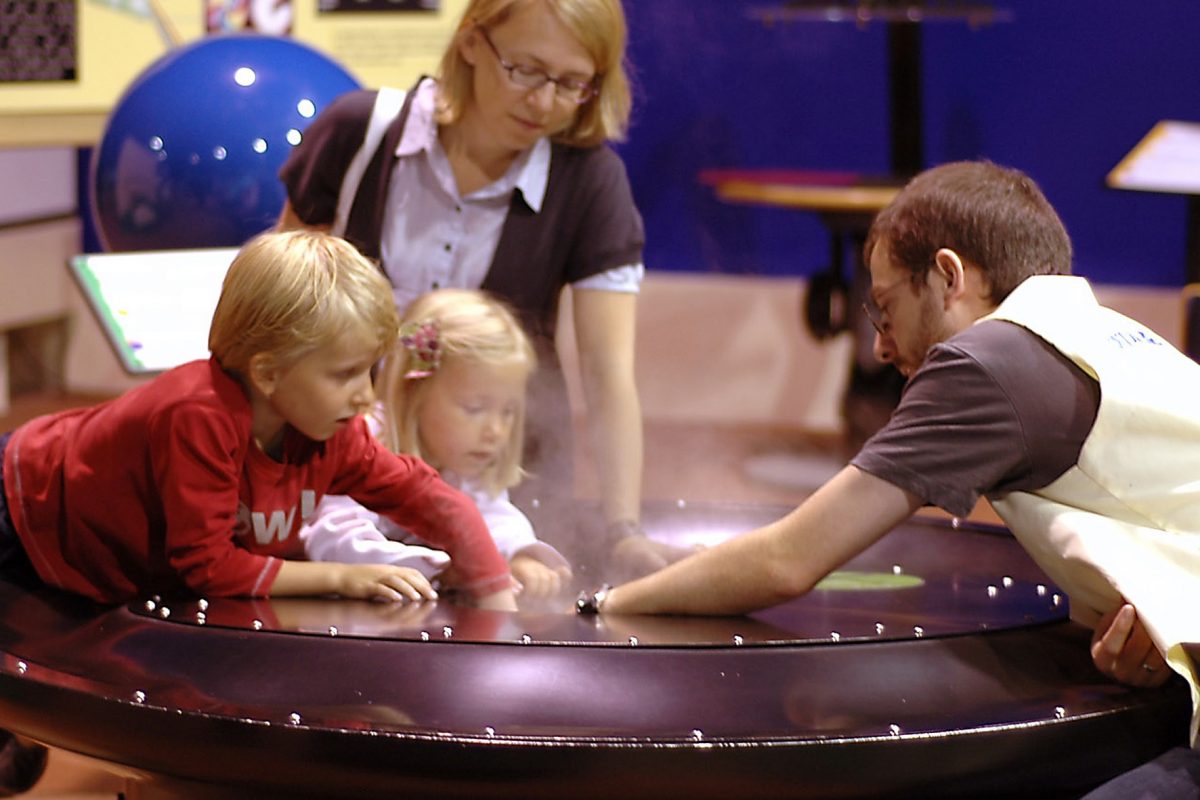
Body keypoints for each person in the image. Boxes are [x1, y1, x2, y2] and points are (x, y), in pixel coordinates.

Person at [582, 161, 1200, 795]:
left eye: (885, 309)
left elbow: (787, 560)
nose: (880, 346)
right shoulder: (1101, 334)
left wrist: (605, 604)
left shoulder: (990, 363)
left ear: (949, 276)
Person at [276, 0, 679, 579]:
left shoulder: (588, 180)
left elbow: (607, 373)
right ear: (470, 42)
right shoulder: (358, 133)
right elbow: (276, 311)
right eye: (524, 70)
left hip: (499, 488)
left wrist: (623, 531)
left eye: (572, 84)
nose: (543, 102)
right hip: (337, 472)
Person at [0, 229, 516, 611]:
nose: (366, 396)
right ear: (268, 374)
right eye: (346, 374)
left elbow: (428, 497)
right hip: (24, 507)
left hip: (101, 552)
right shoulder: (200, 416)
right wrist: (343, 576)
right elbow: (208, 565)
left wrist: (495, 590)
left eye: (371, 371)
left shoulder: (331, 429)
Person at [300, 288, 573, 598]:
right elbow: (335, 540)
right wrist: (442, 568)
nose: (495, 430)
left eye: (508, 412)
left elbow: (492, 515)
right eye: (474, 408)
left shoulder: (464, 458)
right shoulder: (362, 440)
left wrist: (517, 555)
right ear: (414, 391)